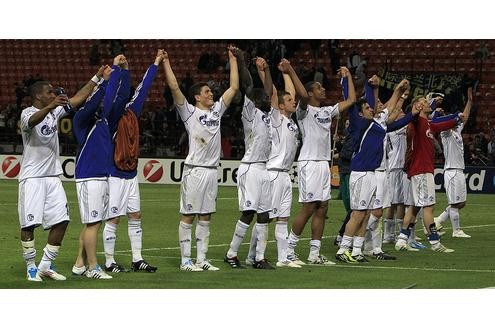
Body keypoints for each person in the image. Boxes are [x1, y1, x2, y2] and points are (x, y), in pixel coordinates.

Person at [18, 66, 107, 281]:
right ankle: (31, 267)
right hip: (32, 178)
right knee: (29, 224)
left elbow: (78, 98)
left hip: (52, 177)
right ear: (38, 95)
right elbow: (32, 122)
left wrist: (98, 78)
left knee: (62, 221)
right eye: (49, 91)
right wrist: (51, 106)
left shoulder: (55, 110)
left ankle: (45, 266)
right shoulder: (27, 113)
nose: (53, 93)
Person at [163, 46, 239, 271]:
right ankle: (186, 260)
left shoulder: (216, 111)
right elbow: (174, 86)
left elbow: (234, 87)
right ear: (197, 97)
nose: (211, 94)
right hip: (194, 170)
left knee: (206, 216)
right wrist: (166, 61)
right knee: (188, 215)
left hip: (211, 171)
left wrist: (232, 59)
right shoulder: (189, 112)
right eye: (206, 92)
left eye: (210, 92)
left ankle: (201, 259)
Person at [102, 50, 166, 273]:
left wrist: (156, 63)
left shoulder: (131, 111)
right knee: (114, 217)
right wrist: (118, 69)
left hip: (131, 173)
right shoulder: (109, 116)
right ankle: (109, 261)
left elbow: (144, 87)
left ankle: (137, 259)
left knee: (135, 215)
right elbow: (113, 92)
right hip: (114, 172)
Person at [335, 78, 412, 263]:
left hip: (370, 173)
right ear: (361, 112)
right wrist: (350, 82)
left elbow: (389, 108)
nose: (372, 109)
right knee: (358, 213)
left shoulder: (378, 124)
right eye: (368, 108)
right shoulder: (360, 124)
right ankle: (343, 249)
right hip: (361, 173)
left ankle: (357, 250)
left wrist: (398, 90)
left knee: (367, 213)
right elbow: (352, 100)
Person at [286, 67, 356, 265]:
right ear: (310, 93)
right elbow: (300, 94)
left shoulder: (327, 111)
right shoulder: (303, 111)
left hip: (324, 164)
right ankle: (289, 249)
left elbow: (351, 100)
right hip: (309, 163)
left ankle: (314, 254)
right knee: (308, 207)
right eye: (318, 87)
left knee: (322, 208)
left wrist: (348, 76)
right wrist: (291, 70)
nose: (323, 89)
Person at [71, 55, 125, 279]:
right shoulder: (81, 118)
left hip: (100, 176)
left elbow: (116, 98)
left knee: (93, 223)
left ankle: (79, 264)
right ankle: (93, 268)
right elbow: (95, 101)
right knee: (93, 223)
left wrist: (121, 72)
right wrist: (103, 81)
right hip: (88, 176)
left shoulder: (103, 121)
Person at [224, 55, 274, 270]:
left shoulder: (267, 115)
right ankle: (231, 253)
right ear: (254, 100)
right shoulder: (250, 112)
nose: (266, 97)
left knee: (264, 215)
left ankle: (259, 258)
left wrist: (267, 68)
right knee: (249, 212)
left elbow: (270, 90)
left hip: (263, 168)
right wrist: (242, 61)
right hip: (251, 167)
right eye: (262, 96)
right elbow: (247, 83)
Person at [395, 95, 462, 253]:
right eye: (424, 102)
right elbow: (415, 116)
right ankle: (435, 243)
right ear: (418, 106)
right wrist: (415, 109)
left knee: (414, 208)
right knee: (428, 207)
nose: (427, 103)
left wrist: (457, 119)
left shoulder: (428, 124)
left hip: (420, 171)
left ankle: (401, 240)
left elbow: (441, 125)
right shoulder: (417, 122)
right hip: (422, 170)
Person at [433, 87, 473, 238]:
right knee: (455, 203)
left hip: (459, 170)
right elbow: (445, 122)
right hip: (451, 170)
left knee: (461, 203)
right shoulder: (446, 132)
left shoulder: (456, 130)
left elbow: (465, 116)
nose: (459, 120)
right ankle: (456, 231)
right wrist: (451, 117)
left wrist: (469, 101)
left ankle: (438, 220)